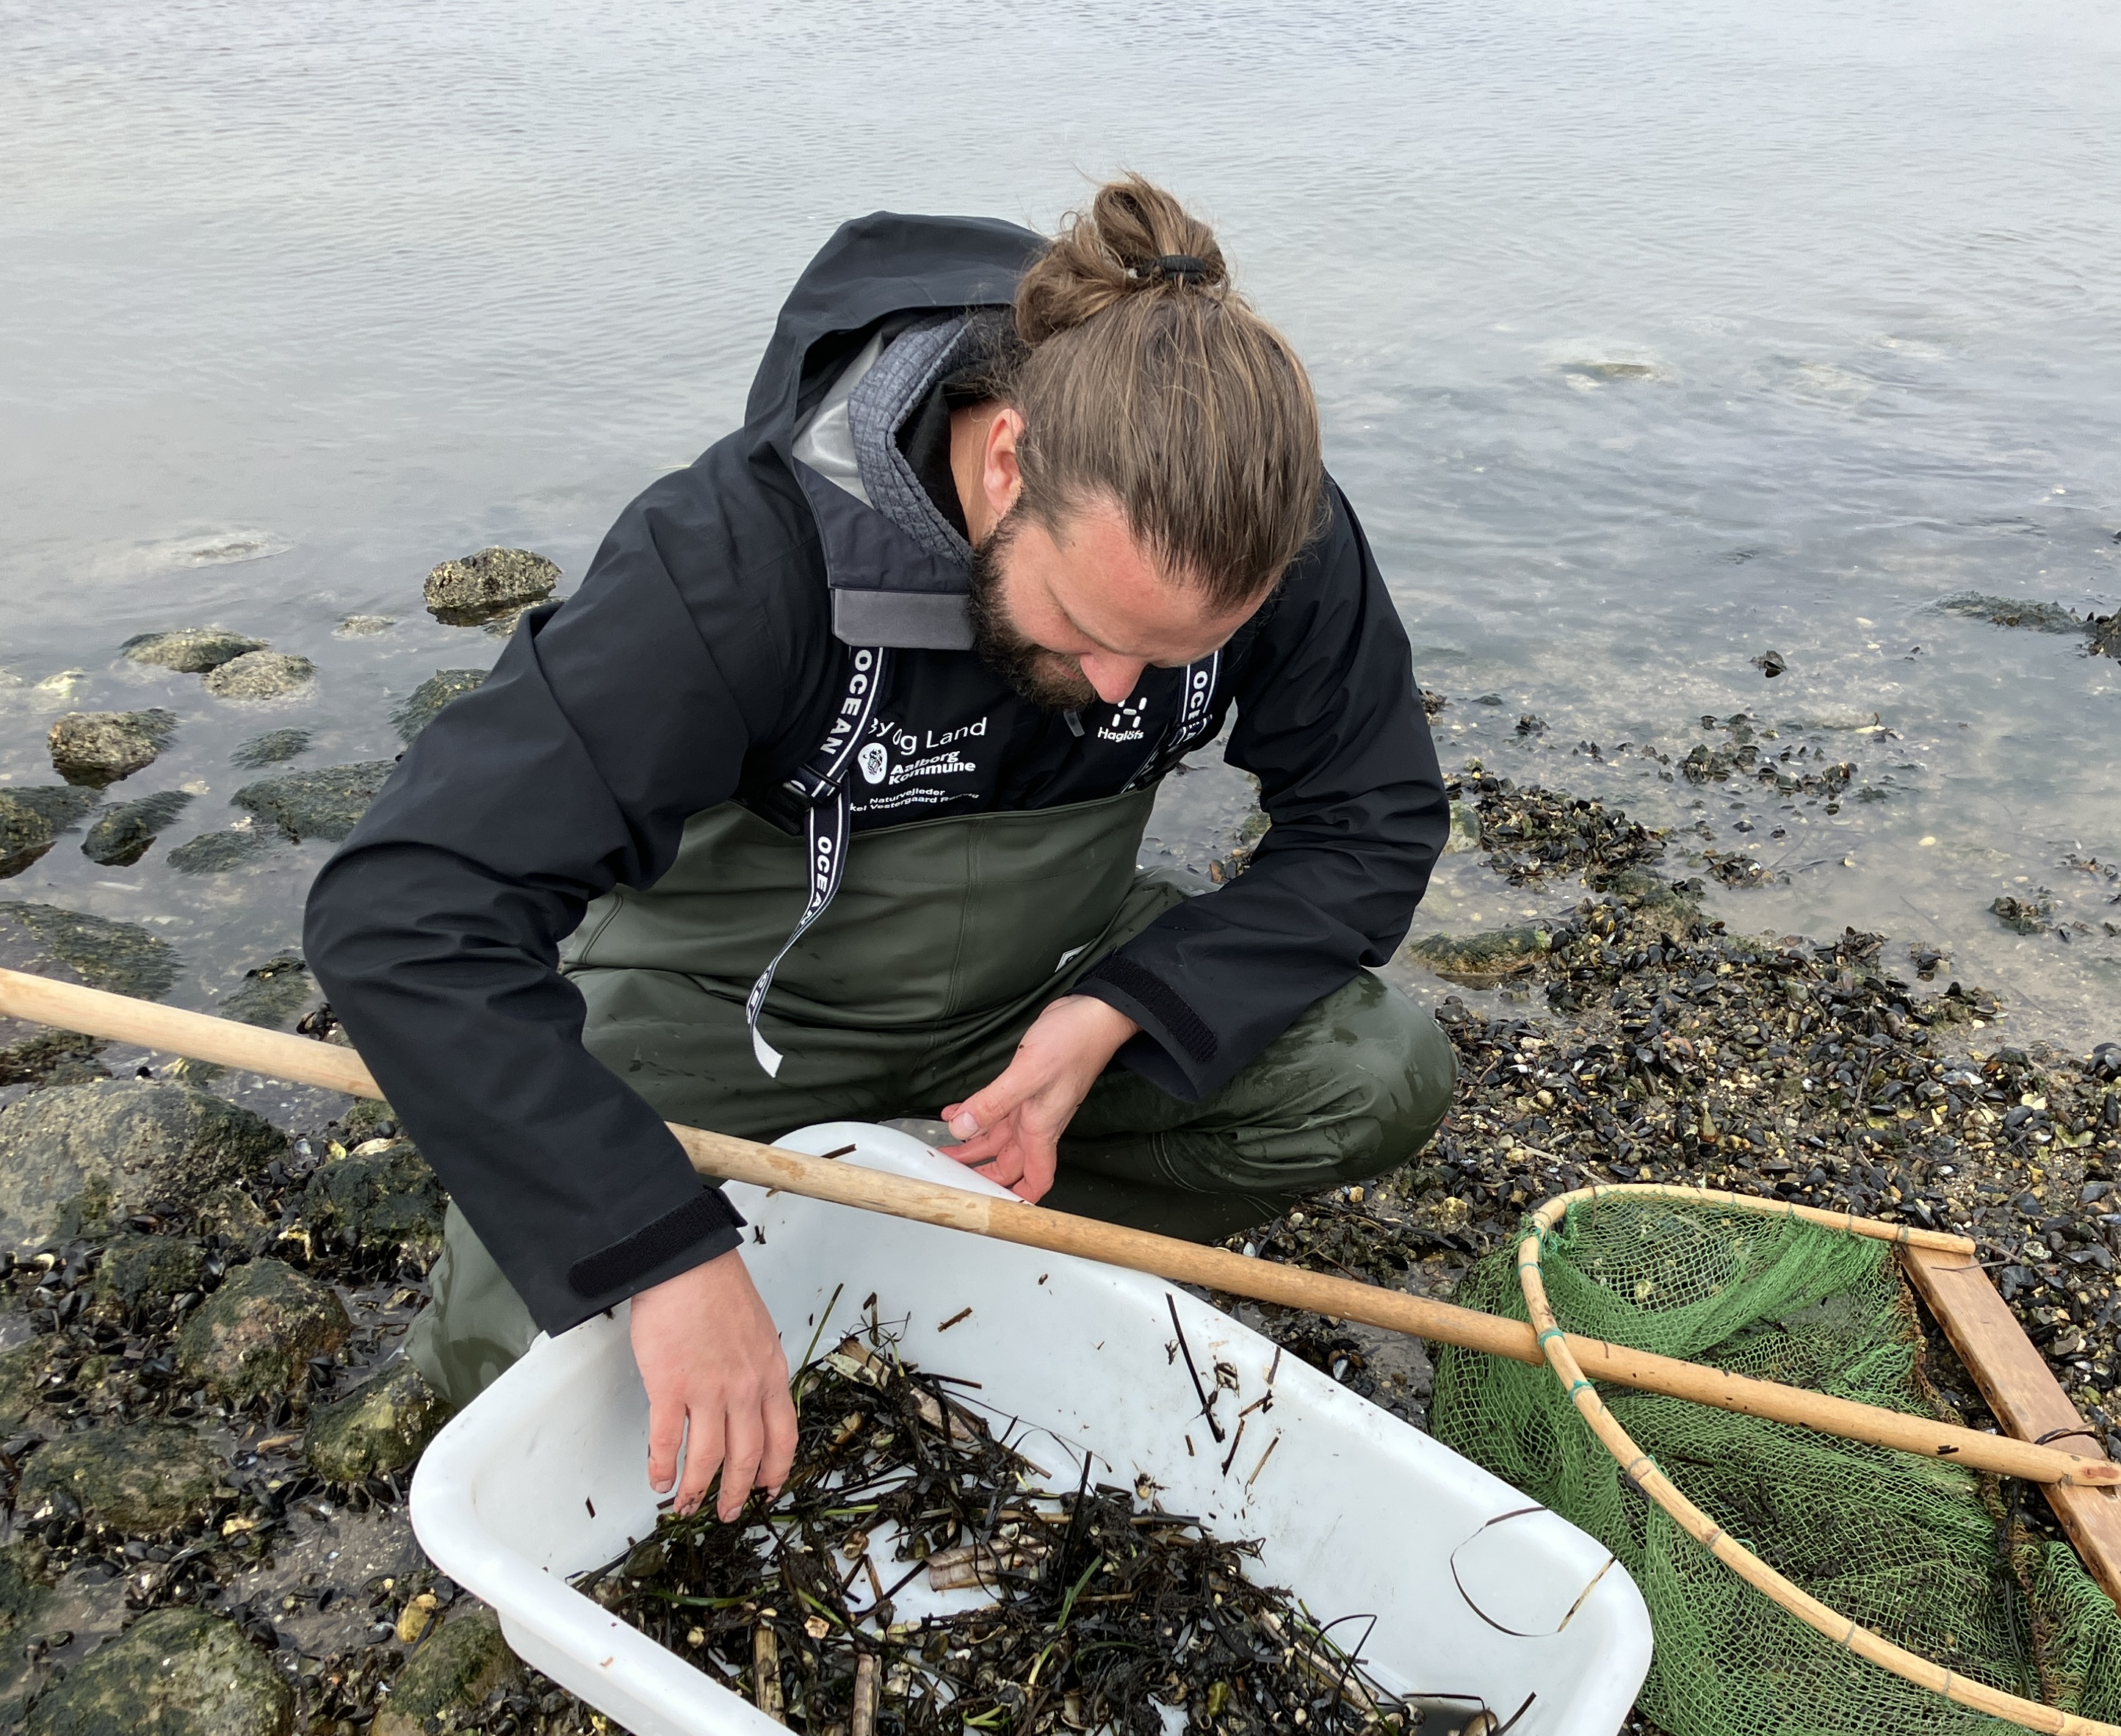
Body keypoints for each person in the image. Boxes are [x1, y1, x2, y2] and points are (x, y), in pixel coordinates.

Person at [303, 178, 1453, 1525]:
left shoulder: (1263, 528)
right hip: (736, 1008)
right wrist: (659, 1252)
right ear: (1008, 459)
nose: (1120, 692)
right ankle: (766, 1241)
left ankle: (923, 1243)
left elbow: (1372, 818)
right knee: (534, 1349)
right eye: (1091, 630)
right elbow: (408, 910)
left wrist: (1122, 1010)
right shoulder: (737, 560)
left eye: (1174, 659)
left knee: (1374, 1075)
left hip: (1048, 990)